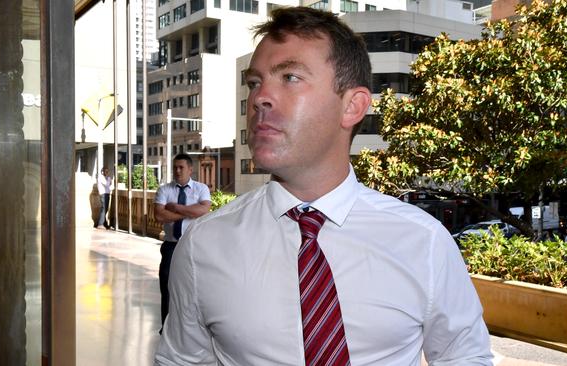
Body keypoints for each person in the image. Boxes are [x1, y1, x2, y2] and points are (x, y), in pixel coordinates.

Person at [156, 7, 492, 365]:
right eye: (254, 83)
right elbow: (181, 360)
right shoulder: (204, 245)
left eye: (290, 77)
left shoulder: (423, 241)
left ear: (353, 106)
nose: (258, 98)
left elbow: (465, 357)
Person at [154, 153, 211, 329]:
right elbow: (159, 215)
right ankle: (167, 327)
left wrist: (176, 208)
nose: (177, 171)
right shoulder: (164, 190)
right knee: (167, 284)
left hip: (194, 245)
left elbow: (204, 210)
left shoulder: (201, 189)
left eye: (181, 167)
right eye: (175, 167)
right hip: (171, 245)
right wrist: (190, 211)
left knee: (193, 286)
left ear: (190, 169)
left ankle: (190, 328)